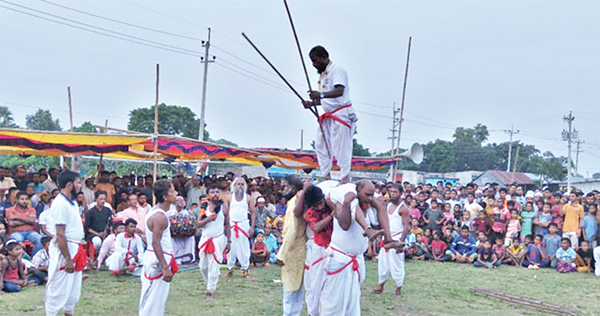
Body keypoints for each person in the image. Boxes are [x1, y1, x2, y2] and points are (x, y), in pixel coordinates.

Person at [303, 45, 357, 183]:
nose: (314, 64)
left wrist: (319, 95)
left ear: (324, 57)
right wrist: (312, 103)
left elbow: (339, 91)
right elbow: (327, 100)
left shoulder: (337, 70)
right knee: (320, 144)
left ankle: (344, 177)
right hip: (329, 115)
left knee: (341, 147)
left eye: (315, 60)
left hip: (341, 114)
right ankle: (326, 175)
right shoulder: (323, 75)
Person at [45, 170, 87, 316]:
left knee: (74, 291)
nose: (80, 185)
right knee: (58, 288)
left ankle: (68, 313)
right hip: (65, 248)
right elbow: (60, 234)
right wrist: (68, 258)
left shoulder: (73, 203)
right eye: (78, 182)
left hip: (75, 246)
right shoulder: (60, 204)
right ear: (70, 185)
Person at [139, 179, 179, 316]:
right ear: (165, 197)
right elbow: (156, 242)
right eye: (173, 191)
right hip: (157, 259)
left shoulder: (159, 212)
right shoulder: (159, 217)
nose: (176, 193)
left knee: (154, 299)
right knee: (153, 301)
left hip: (157, 256)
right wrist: (165, 266)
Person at [372, 183, 410, 297]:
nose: (392, 194)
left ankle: (398, 288)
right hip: (387, 237)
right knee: (383, 263)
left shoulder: (403, 208)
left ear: (401, 194)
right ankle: (380, 286)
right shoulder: (387, 205)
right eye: (391, 192)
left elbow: (406, 227)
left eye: (395, 192)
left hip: (397, 238)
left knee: (397, 264)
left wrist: (401, 243)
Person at [302, 183, 334, 316]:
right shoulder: (310, 213)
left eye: (320, 203)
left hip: (334, 249)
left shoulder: (331, 204)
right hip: (319, 249)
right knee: (315, 284)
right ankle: (313, 312)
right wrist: (331, 216)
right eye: (316, 205)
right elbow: (316, 227)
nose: (319, 207)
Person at [276, 175, 307, 316]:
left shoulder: (295, 204)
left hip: (293, 250)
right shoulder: (298, 201)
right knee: (297, 288)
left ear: (293, 188)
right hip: (300, 249)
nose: (282, 189)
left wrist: (282, 254)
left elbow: (291, 231)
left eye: (284, 186)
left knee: (290, 288)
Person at [197, 184, 230, 301]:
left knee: (214, 265)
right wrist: (208, 219)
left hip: (218, 239)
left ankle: (210, 290)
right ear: (207, 195)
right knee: (203, 267)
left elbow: (227, 225)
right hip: (205, 239)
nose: (215, 194)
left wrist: (229, 241)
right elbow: (198, 224)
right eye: (212, 192)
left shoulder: (224, 207)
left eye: (217, 191)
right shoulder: (204, 207)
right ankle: (209, 284)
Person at [225, 177, 255, 278]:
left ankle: (245, 270)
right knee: (231, 248)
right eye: (238, 184)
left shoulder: (248, 198)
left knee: (244, 247)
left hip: (243, 224)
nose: (240, 186)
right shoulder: (229, 197)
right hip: (232, 224)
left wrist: (252, 227)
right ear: (234, 186)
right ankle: (230, 269)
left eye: (242, 184)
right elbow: (226, 213)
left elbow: (252, 213)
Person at [6, 190, 43, 255]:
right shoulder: (10, 210)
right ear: (17, 200)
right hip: (16, 233)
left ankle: (34, 259)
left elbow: (32, 221)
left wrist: (16, 218)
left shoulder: (31, 209)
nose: (24, 201)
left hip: (30, 232)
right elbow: (11, 224)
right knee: (17, 240)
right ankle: (25, 260)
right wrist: (27, 221)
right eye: (22, 199)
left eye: (26, 199)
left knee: (40, 239)